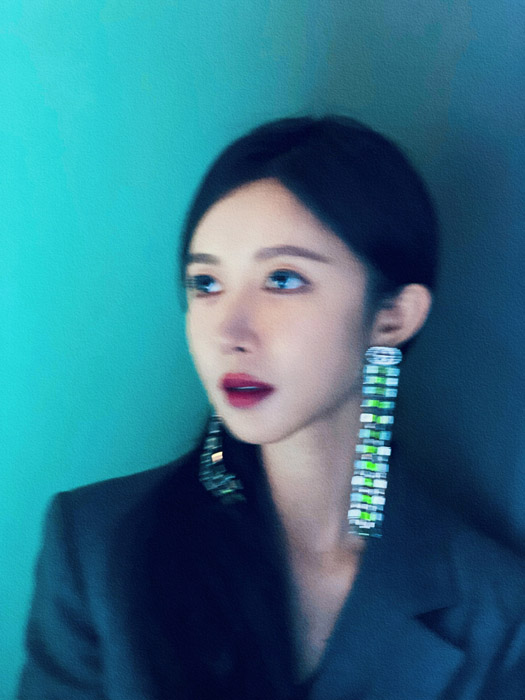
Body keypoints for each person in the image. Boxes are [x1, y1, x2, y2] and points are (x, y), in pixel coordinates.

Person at [18, 116, 525, 700]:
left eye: (283, 279)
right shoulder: (95, 547)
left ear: (392, 318)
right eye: (206, 284)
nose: (228, 332)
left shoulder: (495, 613)